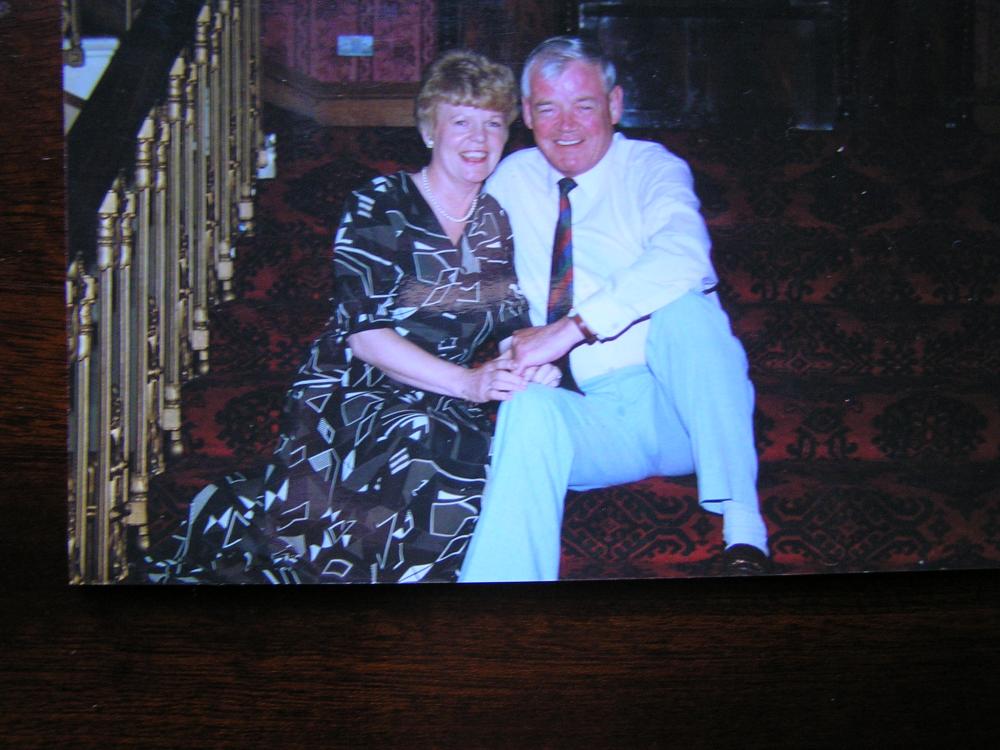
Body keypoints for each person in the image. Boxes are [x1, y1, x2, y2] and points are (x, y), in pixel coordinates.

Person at [146, 50, 559, 584]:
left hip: (447, 397)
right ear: (430, 131)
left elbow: (509, 323)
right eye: (461, 121)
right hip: (356, 387)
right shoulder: (379, 202)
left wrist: (527, 362)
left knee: (468, 449)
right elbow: (366, 337)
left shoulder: (496, 223)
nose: (478, 138)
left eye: (492, 124)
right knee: (426, 446)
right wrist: (470, 383)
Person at [459, 36, 770, 582]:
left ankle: (745, 533)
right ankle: (497, 597)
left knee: (684, 307)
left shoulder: (651, 166)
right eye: (548, 108)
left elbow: (685, 255)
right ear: (527, 114)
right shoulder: (512, 179)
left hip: (681, 405)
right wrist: (511, 349)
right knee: (527, 408)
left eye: (584, 104)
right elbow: (475, 282)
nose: (566, 125)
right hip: (596, 419)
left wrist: (569, 331)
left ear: (616, 105)